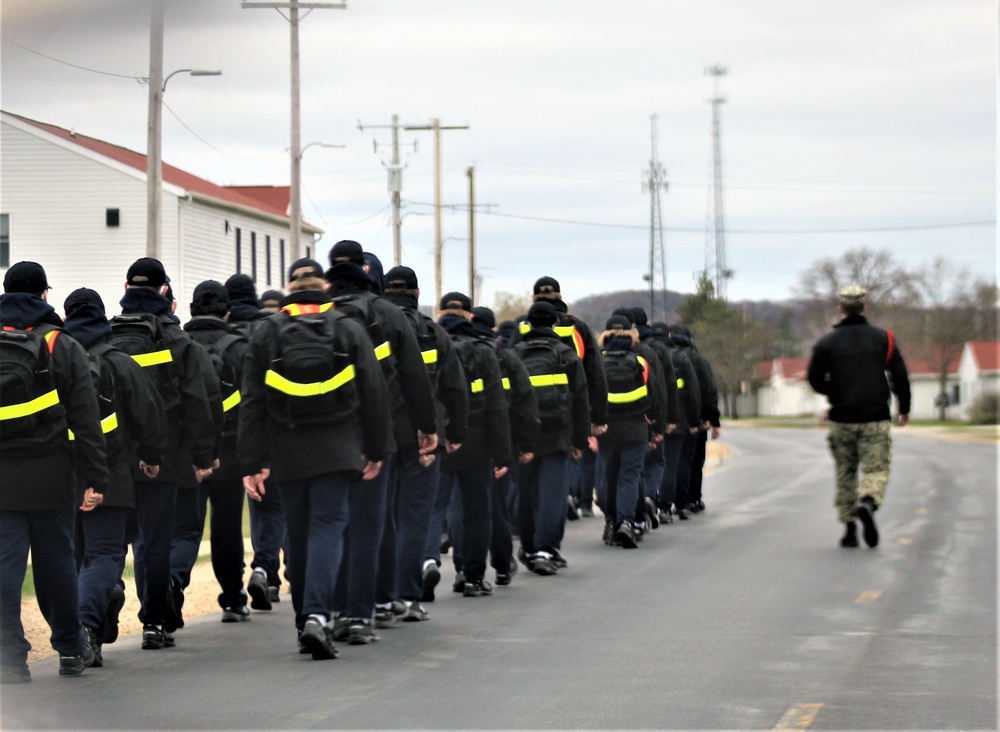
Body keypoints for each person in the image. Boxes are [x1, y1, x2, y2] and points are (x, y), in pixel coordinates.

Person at [239, 257, 389, 659]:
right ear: (323, 290)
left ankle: (304, 614)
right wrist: (376, 450)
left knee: (299, 533)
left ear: (289, 290)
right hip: (338, 447)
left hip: (287, 448)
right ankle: (318, 617)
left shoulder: (266, 333)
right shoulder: (348, 329)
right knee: (327, 526)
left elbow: (252, 401)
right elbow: (373, 394)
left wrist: (252, 462)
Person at [324, 242, 437, 644]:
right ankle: (361, 611)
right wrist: (427, 428)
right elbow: (413, 376)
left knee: (330, 526)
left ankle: (325, 611)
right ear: (366, 272)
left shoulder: (316, 315)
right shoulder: (388, 313)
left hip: (325, 438)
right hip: (378, 435)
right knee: (370, 526)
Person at [0, 262, 107, 682]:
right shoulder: (60, 344)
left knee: (4, 570)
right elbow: (86, 418)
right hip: (51, 476)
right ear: (44, 295)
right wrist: (95, 478)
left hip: (1, 480)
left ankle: (9, 657)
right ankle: (68, 647)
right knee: (57, 565)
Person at [110, 257, 218, 650]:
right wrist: (204, 456)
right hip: (164, 459)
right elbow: (197, 402)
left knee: (110, 543)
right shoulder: (178, 341)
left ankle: (104, 594)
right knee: (154, 544)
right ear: (164, 293)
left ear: (125, 290)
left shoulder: (106, 336)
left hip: (115, 458)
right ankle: (153, 623)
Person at [62, 288, 166, 666]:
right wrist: (151, 458)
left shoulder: (56, 357)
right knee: (104, 553)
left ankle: (73, 636)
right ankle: (87, 629)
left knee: (73, 556)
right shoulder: (120, 362)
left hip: (62, 475)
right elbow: (149, 415)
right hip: (111, 472)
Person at [380, 266, 468, 620]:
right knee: (414, 516)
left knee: (380, 518)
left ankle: (379, 596)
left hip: (381, 436)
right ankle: (409, 595)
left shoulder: (374, 327)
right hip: (424, 435)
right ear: (417, 295)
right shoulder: (434, 332)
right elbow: (454, 388)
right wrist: (455, 433)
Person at [169, 281, 252, 622]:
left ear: (191, 310)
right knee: (227, 529)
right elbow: (252, 406)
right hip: (229, 455)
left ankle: (173, 585)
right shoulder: (240, 349)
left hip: (185, 454)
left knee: (184, 530)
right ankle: (232, 598)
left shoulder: (177, 345)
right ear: (227, 311)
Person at [807, 284, 911, 548]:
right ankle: (868, 502)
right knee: (876, 469)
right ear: (864, 308)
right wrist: (904, 407)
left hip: (842, 419)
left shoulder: (825, 344)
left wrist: (835, 391)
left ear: (841, 309)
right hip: (875, 418)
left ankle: (850, 529)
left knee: (845, 472)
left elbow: (814, 379)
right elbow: (899, 375)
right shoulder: (884, 339)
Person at [434, 292, 511, 596]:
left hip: (440, 440)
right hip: (476, 443)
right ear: (469, 316)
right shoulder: (483, 352)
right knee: (477, 510)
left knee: (442, 506)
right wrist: (502, 453)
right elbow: (496, 406)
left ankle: (435, 565)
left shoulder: (432, 346)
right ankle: (472, 574)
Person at [511, 300, 589, 575]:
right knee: (552, 495)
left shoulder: (514, 354)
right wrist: (579, 441)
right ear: (554, 323)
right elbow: (580, 400)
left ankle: (530, 548)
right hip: (557, 435)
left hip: (523, 437)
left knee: (526, 493)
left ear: (528, 323)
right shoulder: (566, 354)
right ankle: (546, 549)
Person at [226, 274, 285, 609]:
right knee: (273, 505)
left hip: (224, 439)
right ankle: (267, 570)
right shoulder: (270, 335)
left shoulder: (222, 336)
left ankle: (260, 572)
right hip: (270, 433)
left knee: (250, 512)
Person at [471, 305, 538, 586]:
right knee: (495, 505)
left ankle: (465, 568)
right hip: (499, 441)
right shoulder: (506, 358)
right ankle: (501, 563)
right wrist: (523, 445)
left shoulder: (455, 351)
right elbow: (523, 403)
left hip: (460, 441)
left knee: (461, 505)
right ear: (494, 329)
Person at [596, 314, 667, 548]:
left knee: (609, 475)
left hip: (607, 430)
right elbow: (655, 398)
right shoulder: (640, 362)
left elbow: (589, 397)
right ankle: (627, 522)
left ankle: (611, 522)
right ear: (631, 335)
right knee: (629, 476)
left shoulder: (597, 363)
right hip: (636, 429)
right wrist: (656, 428)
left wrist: (591, 427)